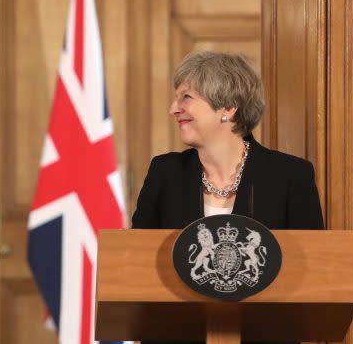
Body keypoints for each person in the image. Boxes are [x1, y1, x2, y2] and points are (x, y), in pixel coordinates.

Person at [131, 51, 324, 344]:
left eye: (186, 97)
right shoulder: (165, 172)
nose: (174, 108)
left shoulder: (290, 175)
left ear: (228, 107)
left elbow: (313, 269)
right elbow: (138, 263)